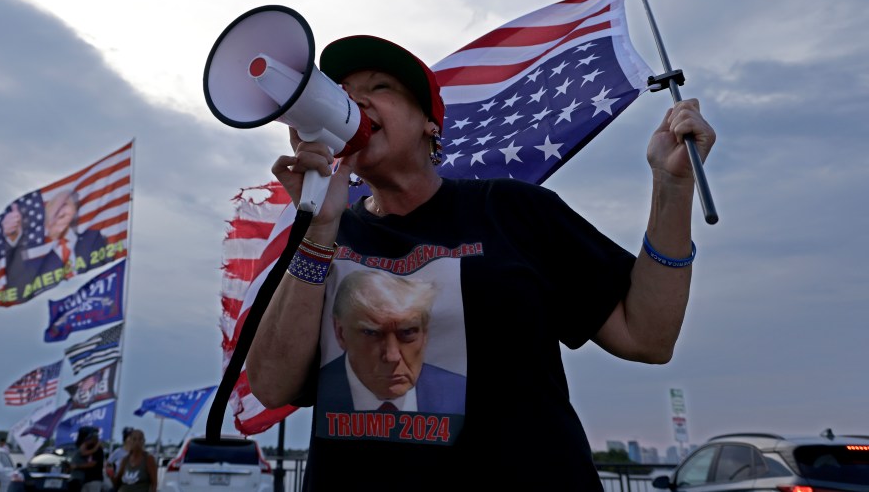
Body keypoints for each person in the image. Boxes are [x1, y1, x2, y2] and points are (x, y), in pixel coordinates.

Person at [247, 34, 717, 490]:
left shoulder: (514, 210)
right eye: (344, 94)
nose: (357, 101)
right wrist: (317, 233)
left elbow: (647, 337)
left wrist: (672, 187)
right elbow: (271, 386)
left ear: (431, 124)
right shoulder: (323, 238)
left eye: (380, 88)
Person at [318, 269, 466, 415]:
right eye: (372, 333)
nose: (392, 356)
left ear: (425, 332)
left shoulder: (459, 391)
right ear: (340, 333)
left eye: (407, 332)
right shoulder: (314, 384)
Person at [69, 427, 106, 492]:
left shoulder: (98, 450)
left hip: (94, 479)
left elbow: (92, 464)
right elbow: (83, 453)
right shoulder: (86, 447)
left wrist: (77, 466)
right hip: (84, 480)